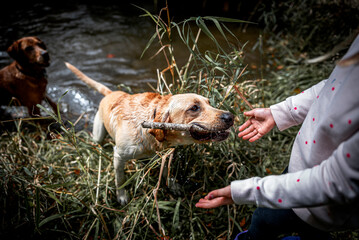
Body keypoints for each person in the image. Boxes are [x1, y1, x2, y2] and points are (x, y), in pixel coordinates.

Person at [196, 34, 359, 240]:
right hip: (297, 171)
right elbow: (335, 86)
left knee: (266, 220)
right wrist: (281, 112)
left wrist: (245, 191)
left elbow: (333, 181)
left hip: (322, 205)